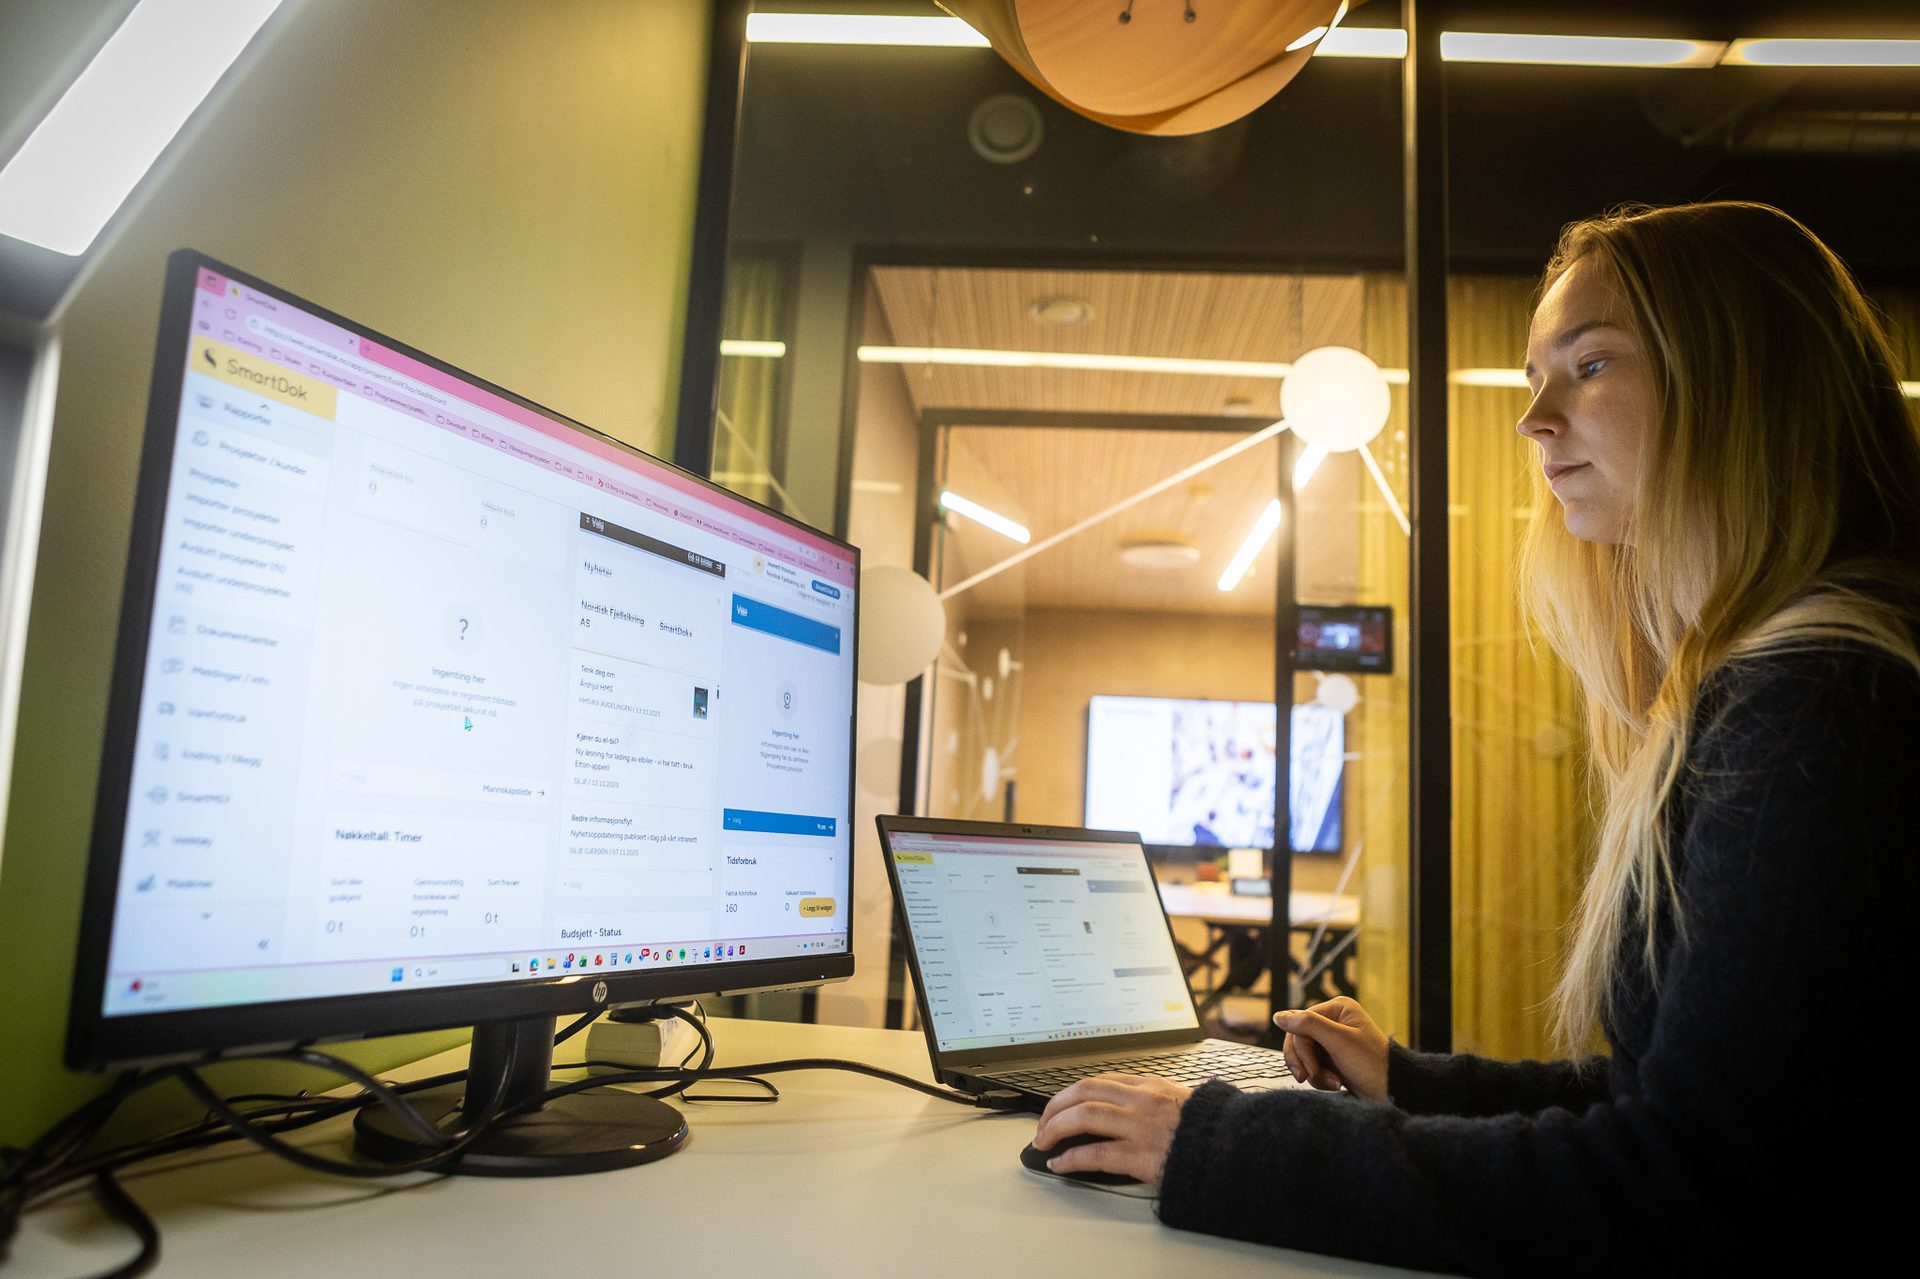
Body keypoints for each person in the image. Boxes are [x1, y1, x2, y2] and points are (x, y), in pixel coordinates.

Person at [1033, 201, 1920, 1273]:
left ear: (1746, 380)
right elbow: (1662, 1099)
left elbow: (1685, 1184)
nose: (1535, 417)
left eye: (1589, 365)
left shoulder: (1823, 701)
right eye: (1535, 376)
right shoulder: (1781, 683)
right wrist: (1409, 1081)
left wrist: (1212, 1138)